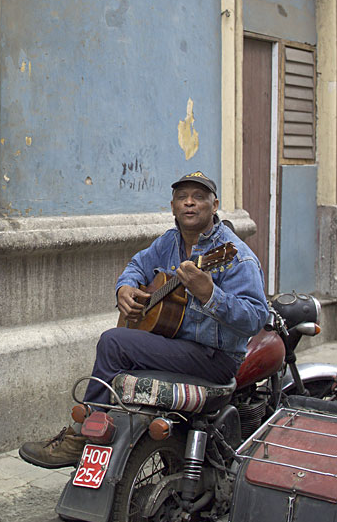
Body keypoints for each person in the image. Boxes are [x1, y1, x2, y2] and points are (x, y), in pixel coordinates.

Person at [19, 170, 269, 469]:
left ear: (214, 206)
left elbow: (255, 317)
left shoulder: (234, 255)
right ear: (173, 205)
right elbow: (138, 264)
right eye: (182, 197)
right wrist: (125, 286)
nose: (189, 203)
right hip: (174, 345)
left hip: (214, 357)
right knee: (118, 345)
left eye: (199, 197)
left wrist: (210, 294)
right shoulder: (169, 242)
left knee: (114, 342)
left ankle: (82, 437)